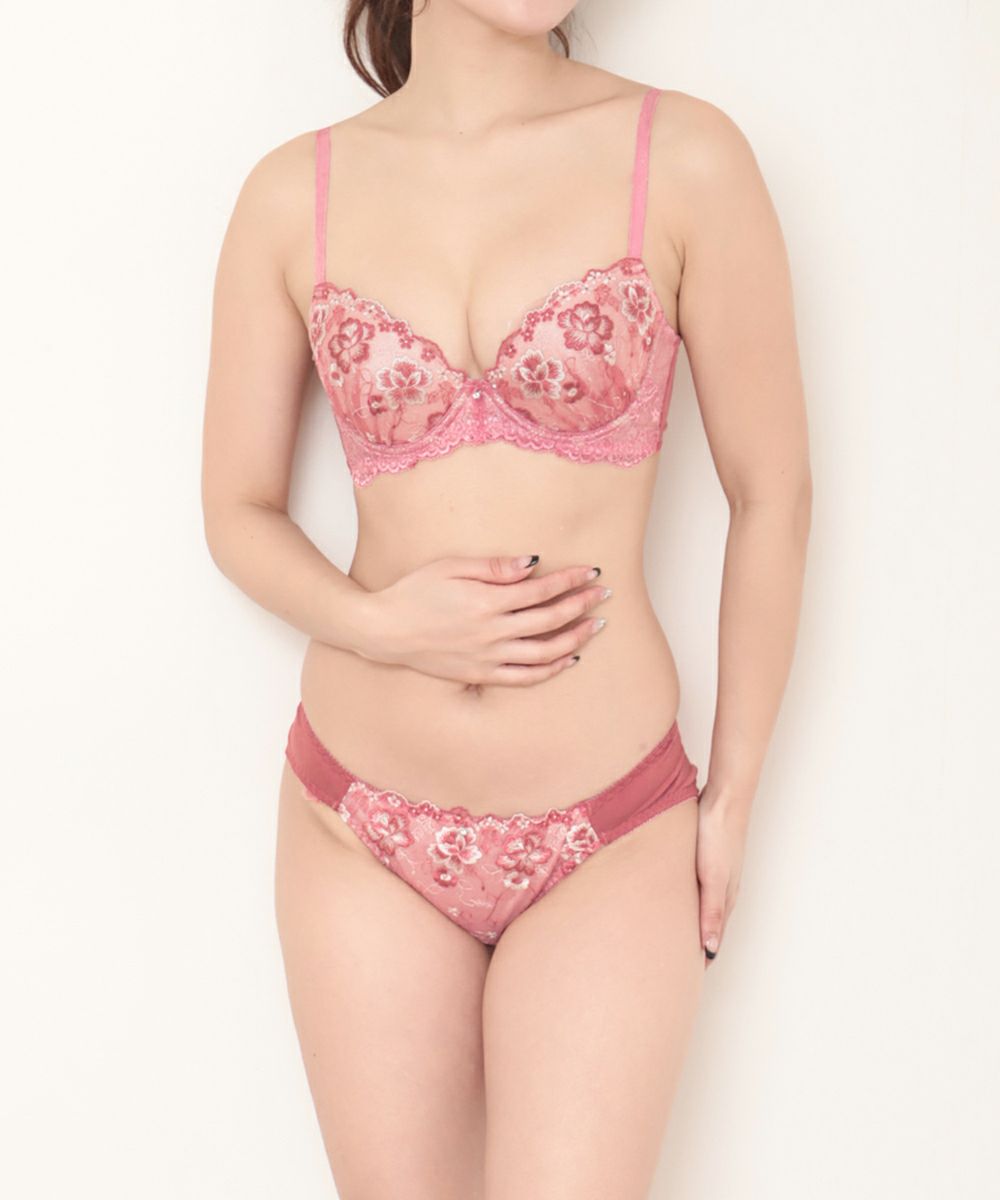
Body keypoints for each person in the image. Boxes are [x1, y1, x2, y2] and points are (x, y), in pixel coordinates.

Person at [201, 2, 812, 1195]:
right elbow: (237, 510)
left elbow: (772, 494)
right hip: (356, 828)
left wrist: (733, 798)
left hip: (610, 834)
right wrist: (379, 624)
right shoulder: (292, 194)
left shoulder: (684, 158)